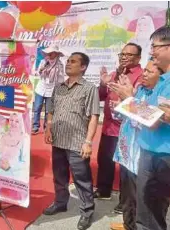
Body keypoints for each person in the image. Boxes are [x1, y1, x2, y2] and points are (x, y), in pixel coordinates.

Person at [43, 52, 100, 230]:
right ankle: (60, 203)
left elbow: (93, 117)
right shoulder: (59, 87)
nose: (68, 63)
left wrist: (88, 142)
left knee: (82, 180)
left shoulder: (89, 88)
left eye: (73, 61)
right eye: (68, 61)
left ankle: (87, 212)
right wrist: (48, 127)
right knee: (59, 176)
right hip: (58, 140)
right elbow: (51, 108)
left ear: (83, 67)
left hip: (77, 142)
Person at [106, 60, 162, 230]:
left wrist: (128, 99)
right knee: (128, 195)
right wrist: (121, 105)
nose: (144, 74)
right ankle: (128, 224)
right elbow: (130, 116)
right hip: (127, 153)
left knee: (141, 198)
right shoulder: (140, 91)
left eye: (149, 72)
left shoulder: (159, 94)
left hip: (142, 157)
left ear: (162, 77)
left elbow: (152, 120)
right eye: (144, 70)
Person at [135, 26, 170, 230]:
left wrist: (129, 102)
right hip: (148, 151)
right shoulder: (161, 80)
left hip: (165, 156)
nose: (151, 51)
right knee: (144, 210)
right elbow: (151, 115)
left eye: (155, 47)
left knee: (152, 214)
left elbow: (152, 121)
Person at [95, 43, 143, 214]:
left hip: (127, 129)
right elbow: (101, 96)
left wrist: (126, 99)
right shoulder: (115, 74)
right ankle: (103, 191)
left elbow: (141, 102)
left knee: (126, 166)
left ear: (138, 58)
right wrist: (103, 84)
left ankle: (126, 202)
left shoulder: (142, 76)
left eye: (129, 55)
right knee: (104, 160)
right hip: (109, 126)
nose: (124, 57)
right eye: (122, 54)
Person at [32, 44, 65, 135]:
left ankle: (47, 127)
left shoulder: (60, 65)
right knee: (37, 107)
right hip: (41, 88)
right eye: (48, 53)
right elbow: (37, 74)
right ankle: (35, 126)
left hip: (51, 90)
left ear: (56, 54)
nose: (49, 55)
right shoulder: (43, 62)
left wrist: (56, 76)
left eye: (51, 53)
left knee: (48, 111)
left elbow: (61, 79)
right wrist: (40, 71)